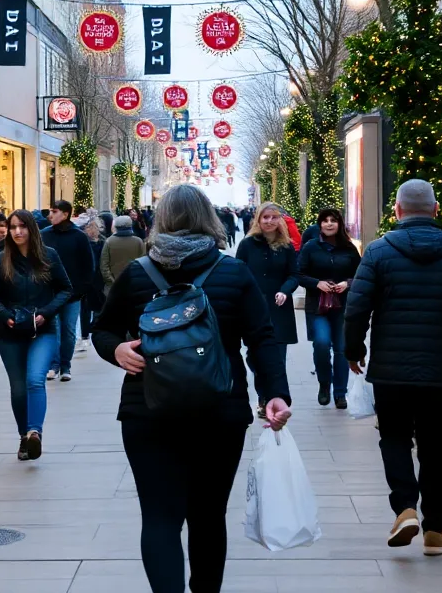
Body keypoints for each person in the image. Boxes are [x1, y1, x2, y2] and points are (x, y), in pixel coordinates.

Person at [92, 184, 292, 593]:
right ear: (209, 219)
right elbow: (262, 337)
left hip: (147, 409)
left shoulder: (136, 274)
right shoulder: (233, 272)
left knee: (160, 517)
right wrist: (274, 393)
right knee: (208, 515)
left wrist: (117, 350)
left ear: (161, 220)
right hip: (221, 410)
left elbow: (102, 329)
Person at [343, 180, 442, 556]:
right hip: (439, 368)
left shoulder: (378, 252)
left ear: (397, 211)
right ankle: (435, 530)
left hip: (390, 367)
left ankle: (405, 507)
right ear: (436, 211)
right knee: (435, 447)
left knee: (395, 437)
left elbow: (357, 308)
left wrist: (353, 350)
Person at [0, 210, 73, 460]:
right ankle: (24, 436)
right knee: (19, 388)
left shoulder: (48, 256)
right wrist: (4, 315)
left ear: (32, 229)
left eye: (22, 226)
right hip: (11, 332)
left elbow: (66, 289)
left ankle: (35, 432)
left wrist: (46, 313)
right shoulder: (0, 260)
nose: (17, 231)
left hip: (42, 330)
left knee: (35, 380)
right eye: (12, 227)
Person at [236, 201, 300, 417]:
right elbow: (238, 273)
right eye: (266, 217)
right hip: (254, 310)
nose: (270, 221)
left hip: (279, 308)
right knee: (255, 357)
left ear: (280, 220)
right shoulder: (247, 245)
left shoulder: (287, 246)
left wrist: (285, 290)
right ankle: (264, 393)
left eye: (274, 217)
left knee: (277, 358)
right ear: (258, 219)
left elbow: (294, 274)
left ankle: (270, 400)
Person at [298, 208, 361, 408]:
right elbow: (299, 274)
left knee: (341, 349)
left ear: (339, 223)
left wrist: (347, 283)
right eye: (324, 220)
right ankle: (325, 384)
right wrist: (317, 283)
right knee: (322, 344)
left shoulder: (349, 248)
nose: (329, 224)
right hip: (318, 306)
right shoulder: (311, 247)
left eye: (333, 220)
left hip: (342, 306)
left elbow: (360, 274)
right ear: (319, 224)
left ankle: (340, 393)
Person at [42, 200, 95, 381]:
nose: (50, 215)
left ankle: (66, 366)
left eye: (54, 211)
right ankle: (54, 365)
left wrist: (82, 289)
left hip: (72, 293)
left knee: (69, 330)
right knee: (54, 329)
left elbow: (88, 264)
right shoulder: (45, 235)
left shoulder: (78, 236)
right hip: (50, 292)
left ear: (65, 214)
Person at [80, 216, 107, 353]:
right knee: (85, 308)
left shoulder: (103, 243)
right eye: (90, 228)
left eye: (95, 228)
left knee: (98, 307)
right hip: (86, 280)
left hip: (99, 279)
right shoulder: (83, 243)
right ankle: (85, 335)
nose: (92, 231)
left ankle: (95, 330)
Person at [102, 214, 146, 290]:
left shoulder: (109, 241)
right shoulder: (138, 241)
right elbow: (144, 262)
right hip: (134, 283)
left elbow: (104, 265)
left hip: (114, 285)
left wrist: (112, 281)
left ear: (116, 227)